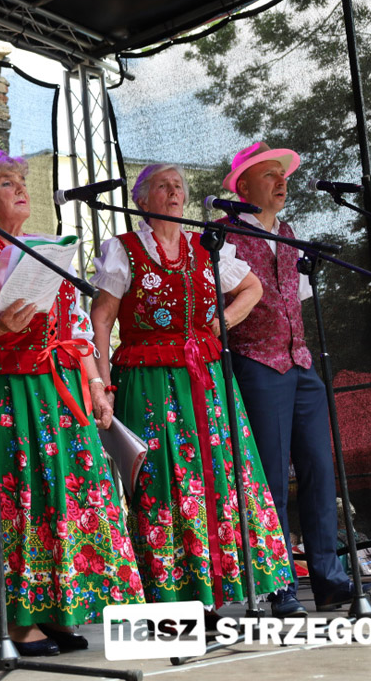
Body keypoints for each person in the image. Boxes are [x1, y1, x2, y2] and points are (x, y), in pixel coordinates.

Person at [0, 151, 142, 656]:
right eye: (7, 183)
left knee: (57, 497)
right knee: (12, 498)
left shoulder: (49, 252)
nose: (21, 189)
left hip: (56, 392)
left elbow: (78, 333)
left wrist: (94, 386)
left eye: (23, 181)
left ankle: (55, 609)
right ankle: (17, 621)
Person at [89, 163, 292, 613]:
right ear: (143, 200)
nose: (174, 192)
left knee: (217, 474)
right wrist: (100, 383)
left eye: (179, 185)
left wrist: (220, 326)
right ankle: (172, 598)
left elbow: (253, 288)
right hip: (148, 380)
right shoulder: (123, 249)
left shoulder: (207, 246)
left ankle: (217, 596)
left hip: (205, 378)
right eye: (163, 186)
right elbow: (101, 318)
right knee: (163, 479)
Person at [220, 142, 371, 615]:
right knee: (269, 474)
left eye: (282, 174)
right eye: (269, 175)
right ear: (244, 185)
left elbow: (298, 296)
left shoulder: (290, 233)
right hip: (256, 363)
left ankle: (330, 579)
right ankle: (279, 587)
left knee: (319, 470)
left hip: (302, 363)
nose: (281, 182)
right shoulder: (224, 236)